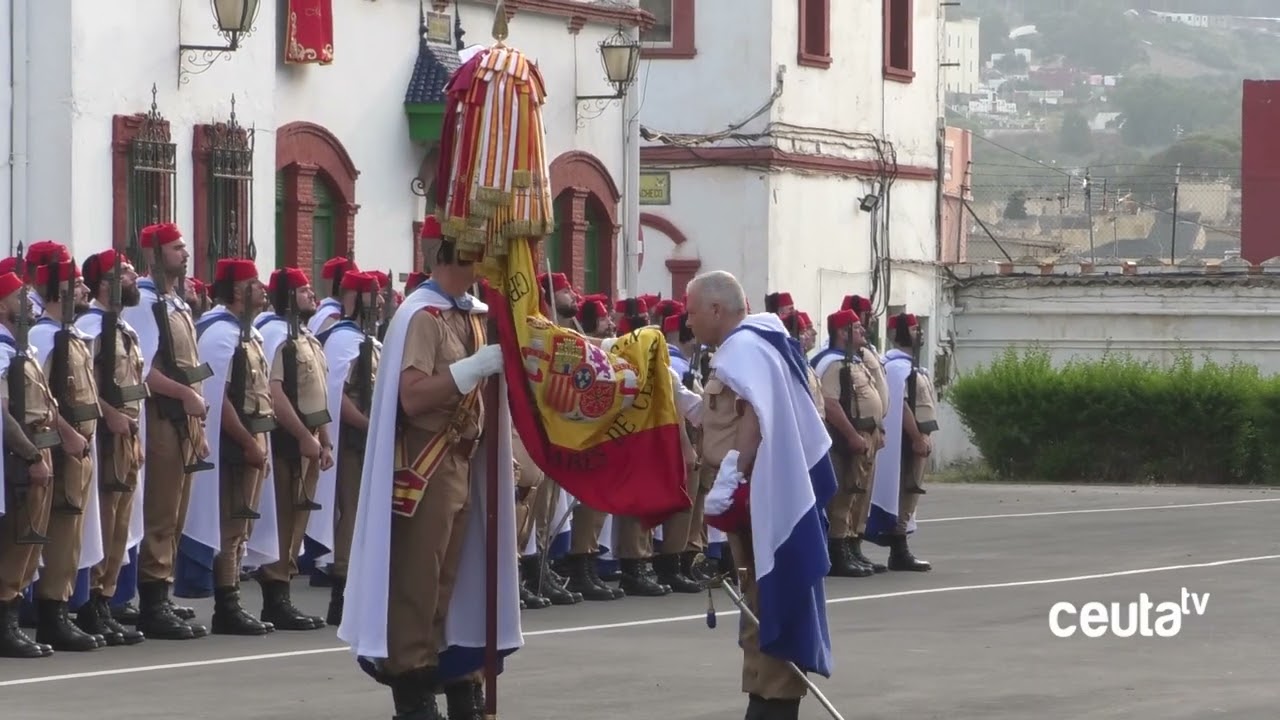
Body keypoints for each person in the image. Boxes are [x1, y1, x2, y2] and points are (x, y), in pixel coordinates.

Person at [338, 231, 522, 720]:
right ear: (449, 254)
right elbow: (413, 396)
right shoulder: (423, 315)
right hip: (429, 459)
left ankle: (460, 677)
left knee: (454, 581)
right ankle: (412, 686)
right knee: (418, 580)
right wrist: (472, 368)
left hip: (465, 456)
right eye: (475, 248)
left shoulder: (470, 312)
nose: (485, 256)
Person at [688, 270, 835, 720]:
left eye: (693, 312)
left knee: (771, 601)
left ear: (716, 310)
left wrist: (732, 477)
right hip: (762, 500)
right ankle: (765, 697)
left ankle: (772, 705)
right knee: (760, 602)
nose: (688, 321)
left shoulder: (745, 350)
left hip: (763, 503)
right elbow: (731, 414)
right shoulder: (765, 344)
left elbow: (753, 417)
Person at [123, 222, 212, 640]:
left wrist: (197, 412)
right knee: (160, 508)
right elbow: (143, 368)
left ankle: (163, 589)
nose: (185, 253)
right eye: (177, 247)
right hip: (161, 416)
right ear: (154, 254)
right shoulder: (144, 301)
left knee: (176, 509)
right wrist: (184, 396)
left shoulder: (175, 301)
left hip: (185, 418)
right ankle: (152, 600)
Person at [188, 258, 279, 635]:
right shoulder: (219, 333)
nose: (262, 289)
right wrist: (246, 441)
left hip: (255, 438)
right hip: (235, 446)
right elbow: (217, 397)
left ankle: (234, 597)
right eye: (254, 283)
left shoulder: (247, 332)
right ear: (239, 291)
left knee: (242, 527)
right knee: (231, 525)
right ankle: (227, 604)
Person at [29, 256, 106, 652]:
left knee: (73, 530)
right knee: (60, 531)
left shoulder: (70, 333)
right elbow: (38, 399)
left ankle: (63, 607)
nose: (84, 291)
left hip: (81, 445)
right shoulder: (44, 336)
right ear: (58, 290)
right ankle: (51, 615)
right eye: (75, 285)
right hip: (61, 447)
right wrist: (68, 435)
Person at [73, 250, 147, 646]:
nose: (135, 279)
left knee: (120, 519)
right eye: (127, 274)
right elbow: (88, 383)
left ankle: (106, 599)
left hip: (127, 435)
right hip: (105, 436)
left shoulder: (121, 326)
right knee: (104, 518)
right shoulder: (92, 325)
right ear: (106, 282)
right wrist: (110, 416)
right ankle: (91, 605)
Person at [254, 267, 335, 630]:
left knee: (297, 517)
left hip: (311, 440)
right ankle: (275, 596)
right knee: (283, 518)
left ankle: (283, 589)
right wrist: (303, 435)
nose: (311, 295)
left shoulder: (307, 337)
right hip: (288, 440)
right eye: (303, 290)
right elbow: (274, 391)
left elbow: (320, 393)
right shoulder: (274, 334)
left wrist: (325, 437)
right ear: (287, 296)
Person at [313, 270, 381, 627]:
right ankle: (341, 594)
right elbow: (336, 396)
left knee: (363, 515)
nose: (382, 302)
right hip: (352, 439)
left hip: (367, 439)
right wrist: (371, 426)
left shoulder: (364, 338)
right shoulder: (342, 339)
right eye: (375, 295)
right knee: (351, 514)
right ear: (355, 298)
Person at [0, 270, 57, 658]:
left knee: (30, 540)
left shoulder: (21, 347)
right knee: (18, 540)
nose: (30, 302)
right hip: (19, 456)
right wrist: (31, 454)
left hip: (37, 447)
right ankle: (6, 626)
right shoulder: (3, 350)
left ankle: (13, 619)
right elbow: (3, 414)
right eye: (21, 296)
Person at [810, 310, 885, 578]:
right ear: (842, 333)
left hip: (867, 434)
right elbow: (830, 403)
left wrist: (878, 429)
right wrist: (852, 435)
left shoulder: (852, 361)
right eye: (856, 328)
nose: (863, 331)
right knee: (844, 492)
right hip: (847, 438)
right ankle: (837, 551)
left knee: (858, 494)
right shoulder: (833, 364)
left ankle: (852, 546)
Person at [865, 313, 932, 572]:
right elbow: (901, 407)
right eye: (914, 329)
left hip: (917, 439)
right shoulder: (894, 367)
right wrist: (916, 436)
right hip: (906, 441)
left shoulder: (913, 366)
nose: (919, 333)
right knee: (902, 492)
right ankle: (899, 549)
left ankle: (901, 546)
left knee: (910, 495)